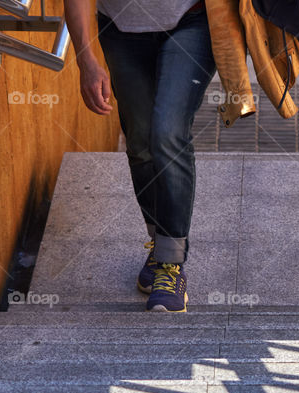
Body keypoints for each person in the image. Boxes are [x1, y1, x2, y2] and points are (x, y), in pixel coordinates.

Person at [64, 0, 217, 312]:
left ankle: (170, 266)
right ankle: (159, 242)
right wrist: (85, 59)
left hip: (193, 21)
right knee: (140, 141)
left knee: (167, 134)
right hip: (120, 30)